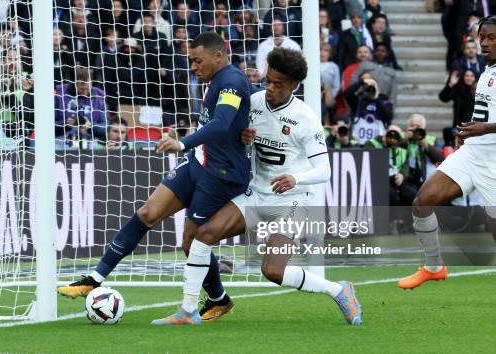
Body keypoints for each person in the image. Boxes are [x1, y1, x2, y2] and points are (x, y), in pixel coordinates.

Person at [152, 48, 362, 326]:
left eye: (279, 84)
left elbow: (325, 170)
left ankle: (339, 290)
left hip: (293, 201)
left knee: (273, 271)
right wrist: (245, 139)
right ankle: (188, 310)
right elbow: (234, 140)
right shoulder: (253, 103)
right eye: (269, 80)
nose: (271, 88)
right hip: (257, 193)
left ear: (294, 86)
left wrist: (294, 179)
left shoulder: (306, 119)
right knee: (203, 236)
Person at [57, 32, 252, 322]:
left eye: (197, 61)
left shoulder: (232, 83)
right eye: (190, 61)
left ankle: (217, 300)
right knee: (147, 213)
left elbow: (223, 123)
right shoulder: (215, 81)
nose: (193, 67)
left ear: (218, 56)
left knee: (191, 243)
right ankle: (94, 279)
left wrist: (183, 142)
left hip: (221, 173)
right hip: (199, 161)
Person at [398, 16, 496, 290]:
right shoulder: (487, 71)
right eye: (482, 37)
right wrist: (468, 135)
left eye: (491, 38)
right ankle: (433, 266)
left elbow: (487, 123)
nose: (484, 43)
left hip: (494, 162)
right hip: (472, 154)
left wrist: (484, 128)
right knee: (422, 202)